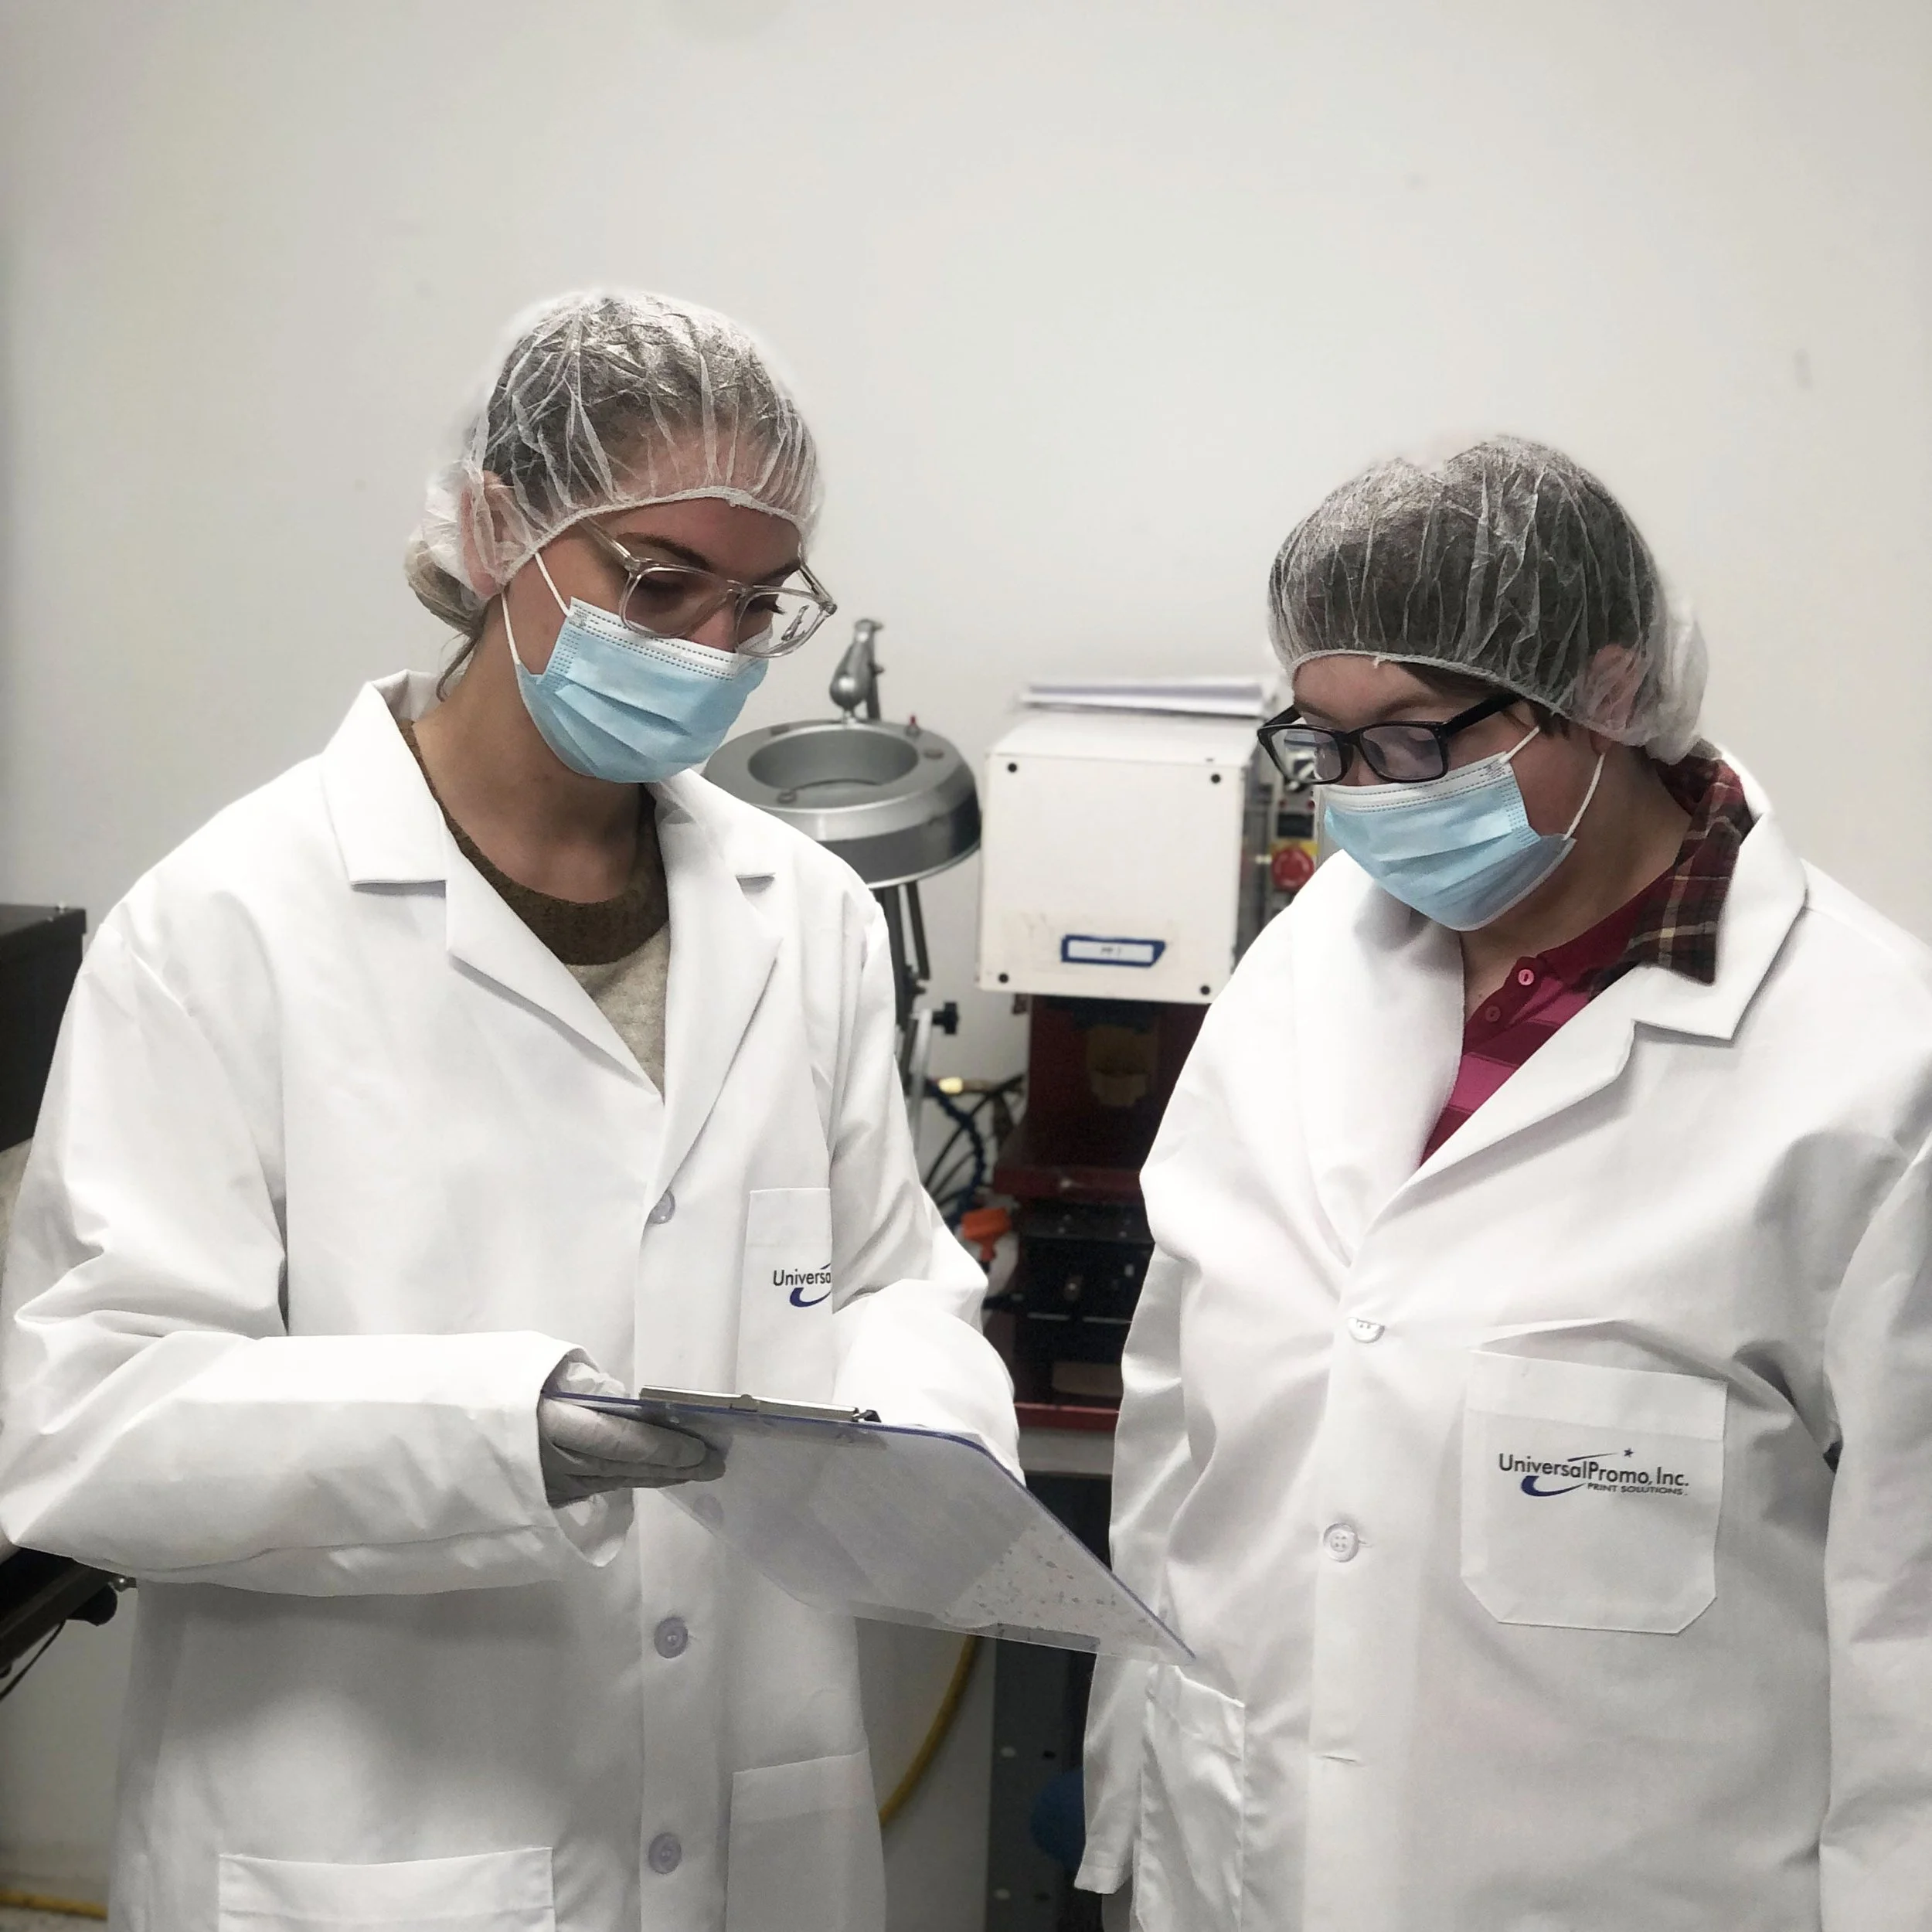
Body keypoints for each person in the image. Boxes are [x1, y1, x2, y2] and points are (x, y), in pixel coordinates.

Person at [0, 290, 1018, 1932]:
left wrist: (920, 1422)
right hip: (378, 1839)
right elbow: (84, 1422)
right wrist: (492, 1432)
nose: (704, 644)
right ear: (492, 528)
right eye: (655, 579)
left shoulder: (805, 911)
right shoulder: (228, 922)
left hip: (751, 1815)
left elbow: (887, 1271)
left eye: (754, 603)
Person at [1079, 437, 1932, 1930]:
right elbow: (1177, 1432)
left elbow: (1911, 1638)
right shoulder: (1300, 971)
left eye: (1417, 743)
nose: (1367, 801)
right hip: (1246, 1869)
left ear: (1607, 692)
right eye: (1329, 746)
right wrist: (1133, 1820)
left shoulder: (1871, 1071)